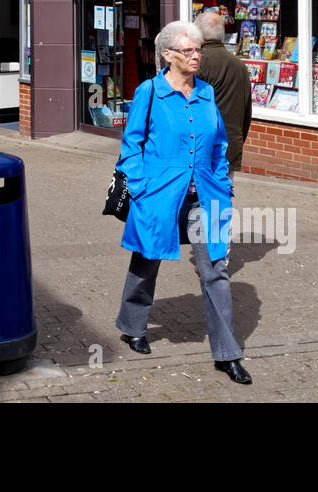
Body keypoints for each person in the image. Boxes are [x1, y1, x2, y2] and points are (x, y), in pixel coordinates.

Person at [113, 20, 250, 385]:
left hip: (205, 197)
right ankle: (133, 325)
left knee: (215, 269)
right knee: (147, 259)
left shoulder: (206, 93)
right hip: (159, 193)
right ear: (167, 54)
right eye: (188, 50)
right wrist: (141, 187)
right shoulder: (149, 92)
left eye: (198, 50)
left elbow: (219, 144)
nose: (196, 56)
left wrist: (220, 180)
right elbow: (131, 146)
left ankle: (227, 353)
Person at [195, 11, 253, 183]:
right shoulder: (240, 66)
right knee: (219, 202)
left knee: (196, 204)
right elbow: (246, 113)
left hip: (201, 148)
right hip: (229, 148)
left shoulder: (197, 63)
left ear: (199, 34)